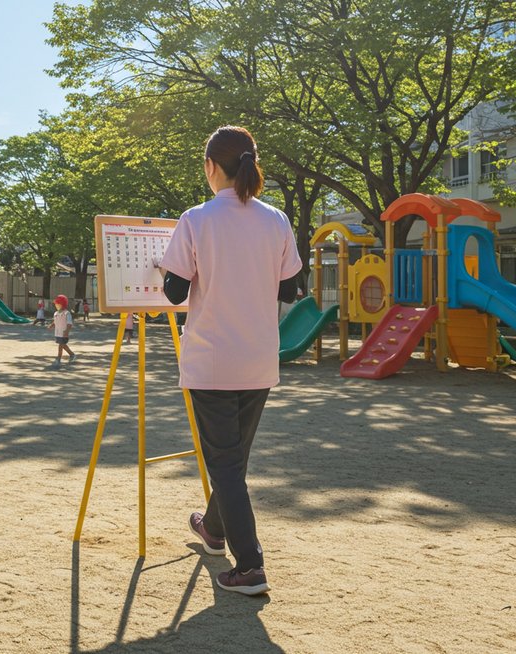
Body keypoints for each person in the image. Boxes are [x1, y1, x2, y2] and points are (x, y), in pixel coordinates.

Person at [160, 125, 301, 596]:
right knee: (232, 461)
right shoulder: (276, 219)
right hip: (259, 359)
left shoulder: (196, 219)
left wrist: (168, 268)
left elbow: (174, 291)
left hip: (212, 359)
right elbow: (290, 289)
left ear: (210, 167)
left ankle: (251, 566)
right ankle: (213, 529)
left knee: (224, 465)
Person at [51, 294, 76, 367]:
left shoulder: (67, 313)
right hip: (58, 333)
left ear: (62, 304)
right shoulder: (56, 313)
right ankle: (72, 354)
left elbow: (69, 324)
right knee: (63, 345)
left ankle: (58, 359)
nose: (56, 305)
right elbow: (55, 321)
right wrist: (52, 325)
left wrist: (66, 331)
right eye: (56, 304)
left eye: (58, 304)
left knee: (61, 346)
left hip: (64, 333)